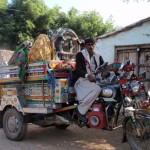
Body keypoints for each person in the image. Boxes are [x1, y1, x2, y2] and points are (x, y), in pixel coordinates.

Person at [74, 37, 104, 122]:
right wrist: (88, 75)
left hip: (94, 80)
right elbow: (79, 70)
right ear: (85, 45)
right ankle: (80, 110)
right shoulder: (80, 54)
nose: (91, 47)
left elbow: (104, 67)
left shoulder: (98, 56)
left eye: (93, 45)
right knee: (97, 89)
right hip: (81, 80)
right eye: (89, 44)